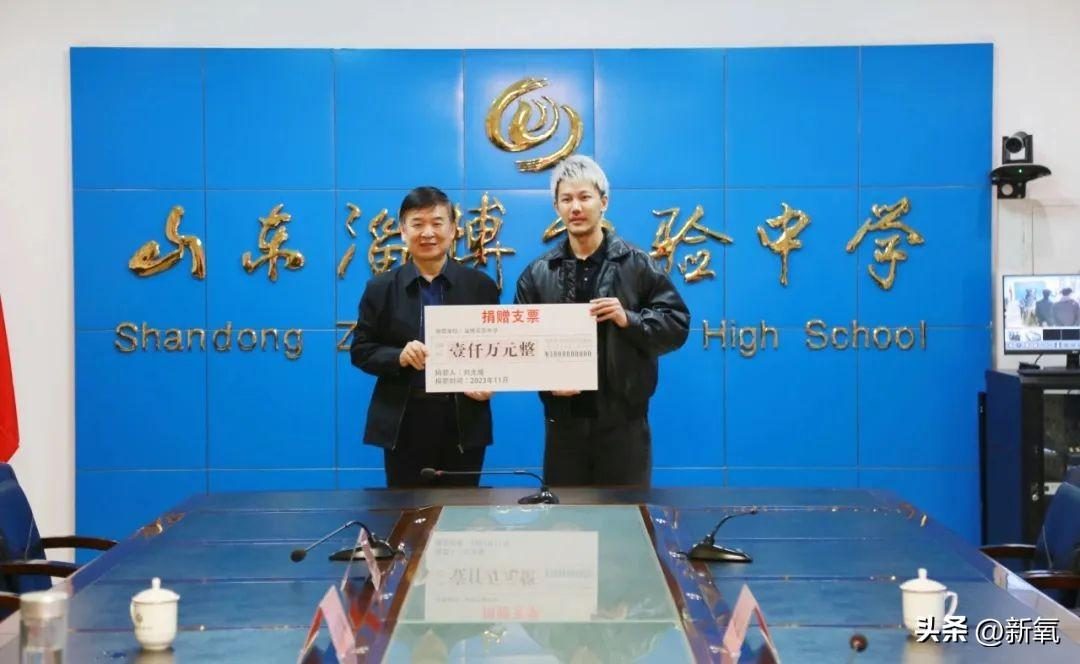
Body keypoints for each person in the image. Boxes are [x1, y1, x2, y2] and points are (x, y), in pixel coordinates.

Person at [513, 155, 690, 488]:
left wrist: (629, 319)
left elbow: (677, 324)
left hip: (624, 423)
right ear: (556, 206)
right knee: (566, 516)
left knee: (625, 515)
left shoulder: (637, 264)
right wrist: (547, 380)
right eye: (567, 199)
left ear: (603, 202)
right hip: (564, 423)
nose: (576, 207)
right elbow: (520, 344)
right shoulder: (538, 273)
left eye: (585, 197)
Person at [350, 186, 499, 488]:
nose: (427, 232)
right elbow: (361, 350)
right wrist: (398, 356)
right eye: (417, 224)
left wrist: (491, 381)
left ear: (453, 229)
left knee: (461, 509)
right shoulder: (380, 288)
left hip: (463, 420)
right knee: (408, 509)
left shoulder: (480, 286)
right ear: (403, 231)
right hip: (405, 421)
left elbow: (496, 347)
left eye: (437, 223)